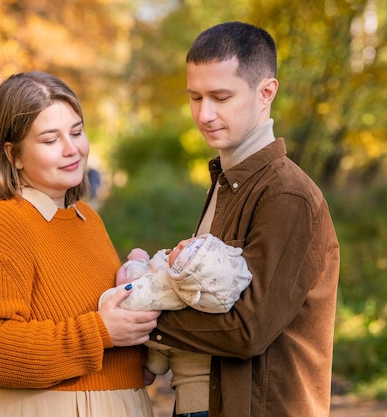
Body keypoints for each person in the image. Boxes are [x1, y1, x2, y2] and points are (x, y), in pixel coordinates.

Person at [149, 22, 340, 417]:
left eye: (221, 97)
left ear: (266, 92)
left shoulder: (286, 194)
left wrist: (144, 318)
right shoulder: (227, 180)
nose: (204, 113)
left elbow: (247, 331)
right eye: (195, 97)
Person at [0, 71, 160, 417]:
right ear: (14, 154)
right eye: (50, 140)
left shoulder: (88, 220)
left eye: (77, 132)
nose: (72, 150)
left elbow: (109, 334)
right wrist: (100, 331)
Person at [99, 233, 253, 416]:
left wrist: (137, 263)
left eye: (184, 251)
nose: (180, 244)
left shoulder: (164, 288)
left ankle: (151, 368)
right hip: (196, 383)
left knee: (161, 342)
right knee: (164, 346)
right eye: (189, 242)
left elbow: (123, 298)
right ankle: (152, 368)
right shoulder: (207, 295)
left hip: (195, 397)